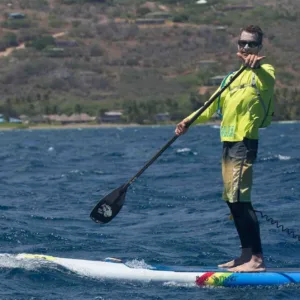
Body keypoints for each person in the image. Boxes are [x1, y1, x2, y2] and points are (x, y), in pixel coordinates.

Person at [175, 25, 275, 272]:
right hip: (228, 143)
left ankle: (257, 260)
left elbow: (267, 82)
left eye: (252, 44)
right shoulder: (229, 78)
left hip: (245, 141)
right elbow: (210, 107)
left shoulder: (264, 71)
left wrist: (257, 66)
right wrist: (188, 120)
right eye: (243, 43)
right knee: (232, 200)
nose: (246, 47)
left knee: (241, 199)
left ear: (259, 48)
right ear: (237, 45)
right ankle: (245, 256)